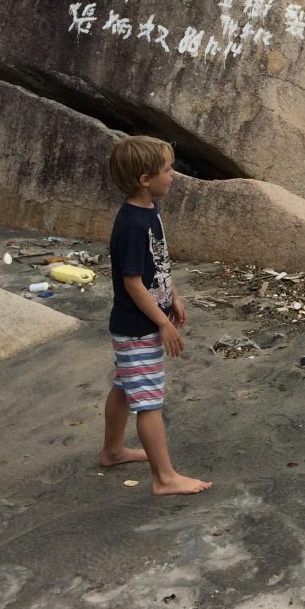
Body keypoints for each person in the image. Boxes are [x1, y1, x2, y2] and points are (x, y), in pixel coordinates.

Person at [99, 136, 211, 496]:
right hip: (137, 327)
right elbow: (132, 282)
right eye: (167, 169)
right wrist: (162, 323)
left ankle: (113, 450)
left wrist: (173, 297)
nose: (174, 174)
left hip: (139, 323)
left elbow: (157, 265)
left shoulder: (149, 211)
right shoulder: (132, 224)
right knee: (148, 400)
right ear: (145, 178)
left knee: (125, 385)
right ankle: (164, 477)